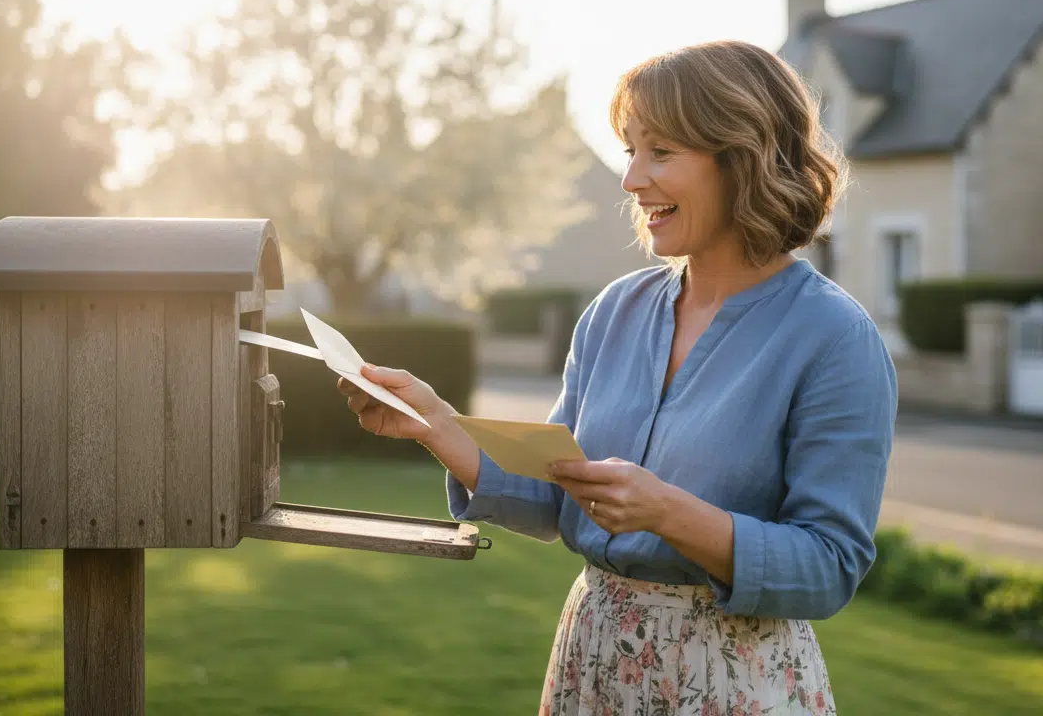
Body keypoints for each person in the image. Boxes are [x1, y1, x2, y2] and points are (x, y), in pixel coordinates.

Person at [338, 39, 897, 716]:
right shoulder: (615, 311)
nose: (631, 179)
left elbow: (829, 565)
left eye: (659, 152)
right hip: (594, 658)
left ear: (741, 159)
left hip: (731, 683)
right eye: (630, 150)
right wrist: (438, 425)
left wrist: (668, 513)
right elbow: (557, 490)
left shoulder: (834, 338)